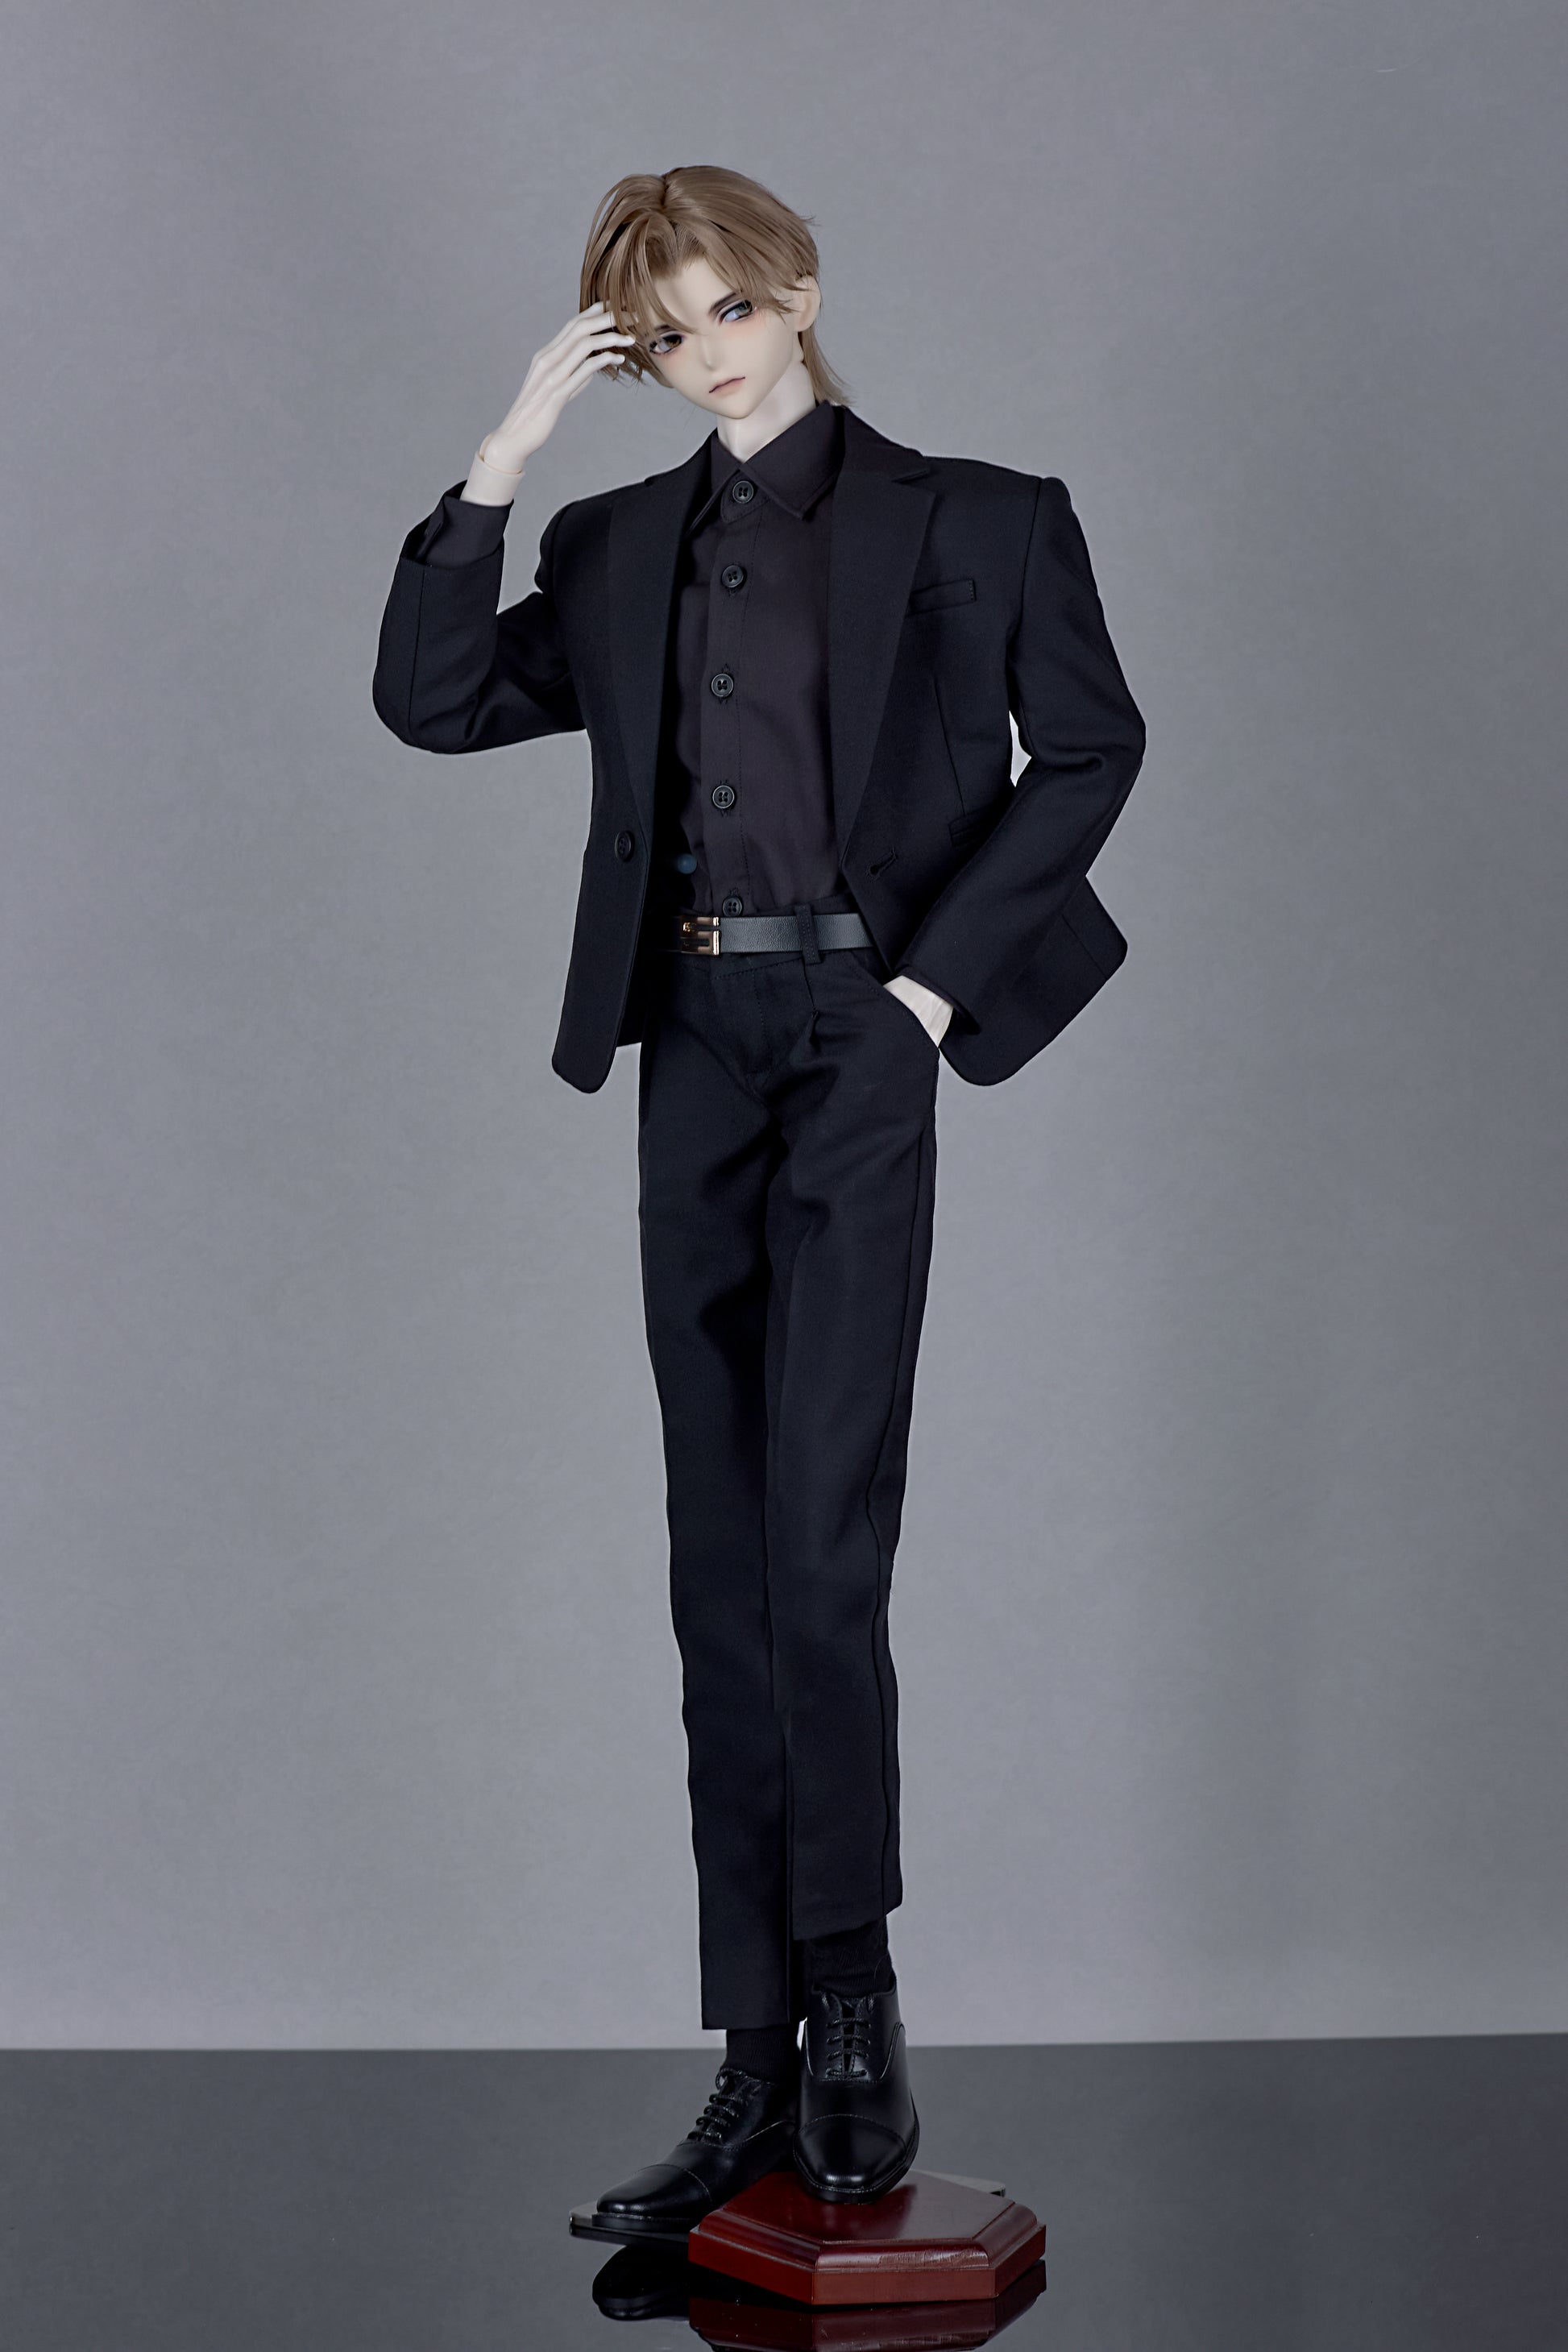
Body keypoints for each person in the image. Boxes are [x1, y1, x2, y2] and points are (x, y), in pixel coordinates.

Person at [372, 164, 1146, 2232]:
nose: (704, 350)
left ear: (798, 290)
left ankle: (854, 2003)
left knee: (820, 1540)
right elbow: (433, 701)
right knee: (716, 1556)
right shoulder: (618, 543)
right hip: (696, 1045)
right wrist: (502, 461)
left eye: (727, 304)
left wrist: (922, 995)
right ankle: (750, 2060)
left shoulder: (979, 517)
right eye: (663, 328)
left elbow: (1090, 748)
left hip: (864, 1037)